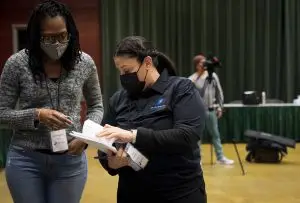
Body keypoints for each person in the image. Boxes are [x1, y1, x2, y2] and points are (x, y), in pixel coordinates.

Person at [0, 1, 103, 203]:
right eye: (48, 37)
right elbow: (1, 113)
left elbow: (96, 106)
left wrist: (86, 137)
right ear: (36, 35)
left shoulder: (84, 63)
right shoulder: (17, 64)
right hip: (25, 159)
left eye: (62, 36)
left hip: (70, 160)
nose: (56, 43)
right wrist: (37, 115)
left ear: (70, 33)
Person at [97, 36, 207, 203]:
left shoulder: (181, 88)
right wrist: (112, 163)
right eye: (119, 71)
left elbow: (188, 135)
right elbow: (103, 141)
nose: (123, 76)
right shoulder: (118, 99)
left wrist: (133, 136)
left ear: (147, 63)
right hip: (132, 193)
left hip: (179, 192)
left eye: (127, 71)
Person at [188, 54, 234, 165]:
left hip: (211, 110)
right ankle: (197, 159)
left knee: (215, 134)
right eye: (201, 63)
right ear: (196, 65)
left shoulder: (213, 76)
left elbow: (219, 92)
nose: (204, 65)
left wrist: (220, 107)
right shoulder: (192, 79)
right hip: (198, 112)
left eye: (205, 62)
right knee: (197, 137)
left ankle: (220, 157)